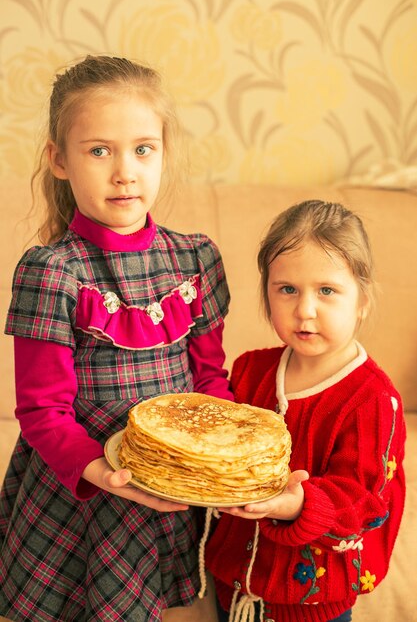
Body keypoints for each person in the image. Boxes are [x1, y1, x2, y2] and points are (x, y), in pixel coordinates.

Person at [0, 54, 233, 621]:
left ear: (163, 151)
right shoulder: (51, 271)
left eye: (143, 148)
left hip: (171, 482)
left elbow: (209, 382)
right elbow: (41, 411)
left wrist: (221, 463)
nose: (124, 171)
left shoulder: (196, 259)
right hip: (82, 489)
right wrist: (102, 471)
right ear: (59, 159)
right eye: (99, 150)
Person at [203, 200, 406, 622]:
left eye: (327, 291)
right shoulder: (250, 370)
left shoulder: (373, 400)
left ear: (362, 299)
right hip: (231, 587)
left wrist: (296, 504)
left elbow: (365, 503)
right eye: (287, 289)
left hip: (312, 603)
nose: (305, 309)